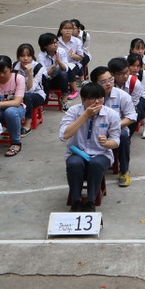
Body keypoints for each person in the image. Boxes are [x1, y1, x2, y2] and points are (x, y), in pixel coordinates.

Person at [59, 82, 121, 212]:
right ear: (83, 99)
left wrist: (106, 143)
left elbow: (116, 141)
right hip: (77, 153)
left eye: (100, 99)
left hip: (101, 154)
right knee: (74, 164)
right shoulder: (73, 111)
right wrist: (85, 115)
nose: (97, 102)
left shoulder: (111, 115)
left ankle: (91, 201)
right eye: (93, 99)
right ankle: (76, 201)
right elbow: (64, 135)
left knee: (96, 164)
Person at [90, 67, 138, 187]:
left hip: (116, 131)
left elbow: (132, 117)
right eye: (103, 82)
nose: (108, 84)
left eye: (110, 79)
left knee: (123, 136)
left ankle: (124, 171)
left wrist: (114, 126)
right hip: (95, 131)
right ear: (95, 84)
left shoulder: (122, 96)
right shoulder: (90, 97)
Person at [0, 56, 25, 157]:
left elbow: (16, 103)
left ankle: (16, 143)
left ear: (11, 68)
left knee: (10, 112)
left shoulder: (18, 78)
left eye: (4, 71)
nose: (1, 75)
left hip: (17, 110)